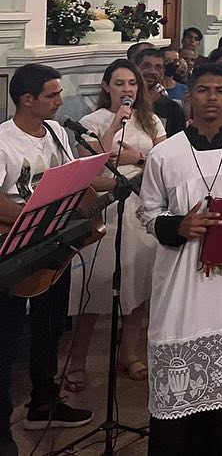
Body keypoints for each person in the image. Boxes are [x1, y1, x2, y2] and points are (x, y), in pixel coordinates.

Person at [136, 63, 222, 456]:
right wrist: (180, 225)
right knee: (179, 373)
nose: (211, 98)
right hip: (184, 283)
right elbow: (148, 211)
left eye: (219, 90)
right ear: (188, 97)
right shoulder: (166, 153)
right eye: (202, 90)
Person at [0, 65, 94, 448]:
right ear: (27, 99)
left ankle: (44, 401)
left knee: (51, 326)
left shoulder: (56, 132)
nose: (60, 101)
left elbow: (69, 179)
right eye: (52, 95)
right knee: (8, 336)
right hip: (17, 245)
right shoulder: (4, 141)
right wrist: (34, 219)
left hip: (54, 244)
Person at [66, 59, 166, 390]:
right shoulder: (89, 122)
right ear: (107, 86)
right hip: (105, 208)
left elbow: (165, 165)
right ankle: (77, 361)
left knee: (138, 282)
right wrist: (113, 129)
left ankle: (130, 353)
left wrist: (137, 159)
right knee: (95, 285)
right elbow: (94, 171)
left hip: (142, 207)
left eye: (132, 84)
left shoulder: (150, 122)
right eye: (120, 83)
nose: (127, 90)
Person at [135, 47, 187, 137]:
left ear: (162, 73)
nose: (152, 71)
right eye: (146, 66)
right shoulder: (125, 103)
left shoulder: (173, 109)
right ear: (135, 68)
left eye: (158, 67)